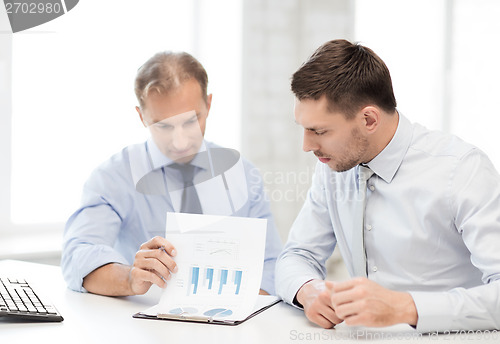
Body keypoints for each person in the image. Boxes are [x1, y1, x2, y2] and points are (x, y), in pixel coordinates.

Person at [275, 39, 500, 333]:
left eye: (319, 131)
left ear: (369, 119)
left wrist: (404, 308)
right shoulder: (334, 167)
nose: (307, 146)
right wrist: (308, 289)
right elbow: (297, 255)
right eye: (304, 129)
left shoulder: (462, 170)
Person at [62, 51, 282, 296]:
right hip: (144, 328)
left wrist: (236, 306)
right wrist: (130, 279)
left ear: (208, 105)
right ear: (141, 116)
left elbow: (271, 266)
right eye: (164, 126)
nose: (180, 142)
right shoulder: (114, 177)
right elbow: (77, 257)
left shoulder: (243, 174)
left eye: (191, 121)